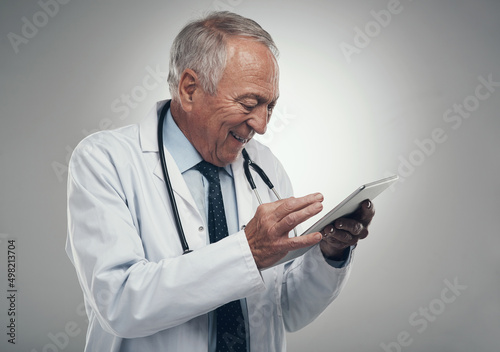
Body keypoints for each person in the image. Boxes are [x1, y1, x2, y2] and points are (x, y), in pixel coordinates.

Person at [66, 11, 375, 352]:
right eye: (249, 103)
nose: (261, 125)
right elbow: (119, 302)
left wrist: (329, 254)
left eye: (270, 106)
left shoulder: (264, 165)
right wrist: (248, 250)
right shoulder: (104, 160)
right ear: (190, 89)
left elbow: (288, 309)